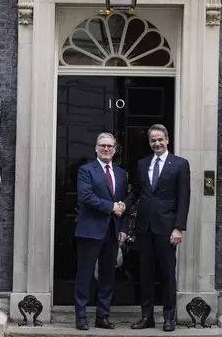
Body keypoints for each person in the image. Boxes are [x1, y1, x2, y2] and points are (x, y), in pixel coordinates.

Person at [124, 124, 191, 332]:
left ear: (167, 139)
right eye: (153, 140)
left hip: (167, 228)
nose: (157, 143)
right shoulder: (143, 164)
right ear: (149, 142)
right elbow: (136, 191)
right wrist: (123, 205)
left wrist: (178, 227)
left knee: (167, 274)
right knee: (145, 273)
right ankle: (147, 317)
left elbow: (184, 197)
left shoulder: (180, 164)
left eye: (160, 139)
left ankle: (169, 317)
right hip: (144, 228)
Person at [74, 133, 129, 330]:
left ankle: (102, 316)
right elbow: (85, 196)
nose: (106, 149)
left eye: (110, 146)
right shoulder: (86, 170)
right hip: (90, 230)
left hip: (113, 232)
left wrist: (123, 228)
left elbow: (123, 204)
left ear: (115, 150)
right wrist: (110, 207)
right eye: (103, 146)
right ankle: (81, 316)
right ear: (96, 148)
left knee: (107, 276)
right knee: (84, 275)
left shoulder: (122, 174)